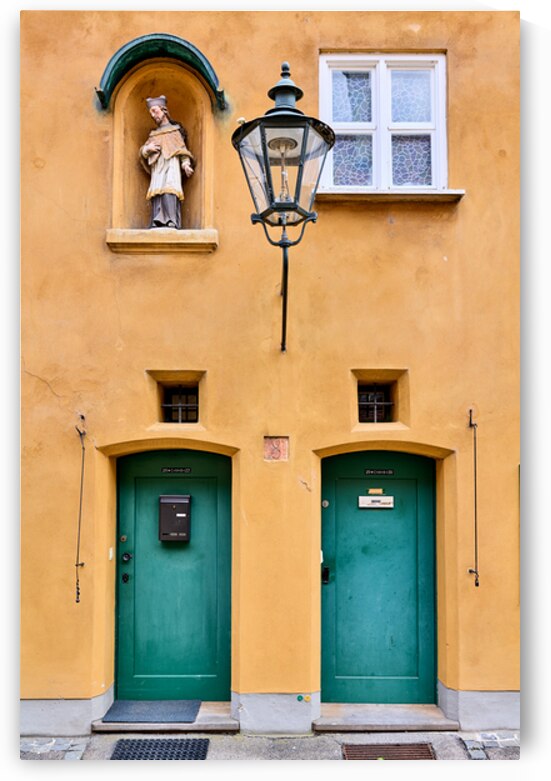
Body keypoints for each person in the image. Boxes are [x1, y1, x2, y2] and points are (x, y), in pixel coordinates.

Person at [140, 96, 195, 229]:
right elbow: (143, 150)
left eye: (155, 111)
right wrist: (147, 149)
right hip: (158, 167)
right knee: (157, 189)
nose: (153, 116)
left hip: (171, 165)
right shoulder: (153, 134)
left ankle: (171, 219)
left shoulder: (175, 131)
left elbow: (182, 150)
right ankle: (157, 219)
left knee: (170, 189)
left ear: (164, 110)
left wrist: (185, 164)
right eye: (151, 113)